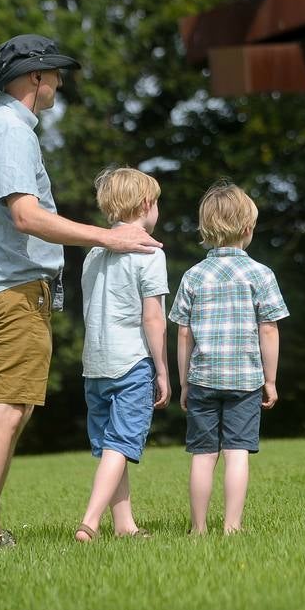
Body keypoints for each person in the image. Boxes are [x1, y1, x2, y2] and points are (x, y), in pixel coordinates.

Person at [0, 33, 162, 549]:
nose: (61, 83)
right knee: (5, 408)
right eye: (56, 74)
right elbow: (25, 215)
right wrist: (108, 236)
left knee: (12, 406)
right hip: (13, 290)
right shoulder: (11, 132)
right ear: (35, 78)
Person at [169, 181, 288, 535]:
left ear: (206, 230)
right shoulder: (260, 274)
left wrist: (184, 382)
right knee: (237, 453)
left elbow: (183, 333)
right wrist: (270, 379)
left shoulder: (193, 276)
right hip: (246, 380)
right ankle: (232, 527)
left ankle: (198, 528)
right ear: (248, 228)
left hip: (203, 379)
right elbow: (269, 330)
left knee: (203, 456)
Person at [74, 166, 170, 542]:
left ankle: (124, 524)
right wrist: (162, 369)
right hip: (131, 362)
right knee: (120, 444)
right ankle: (90, 523)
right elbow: (153, 317)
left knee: (111, 447)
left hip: (94, 364)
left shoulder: (95, 252)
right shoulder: (149, 250)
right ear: (147, 205)